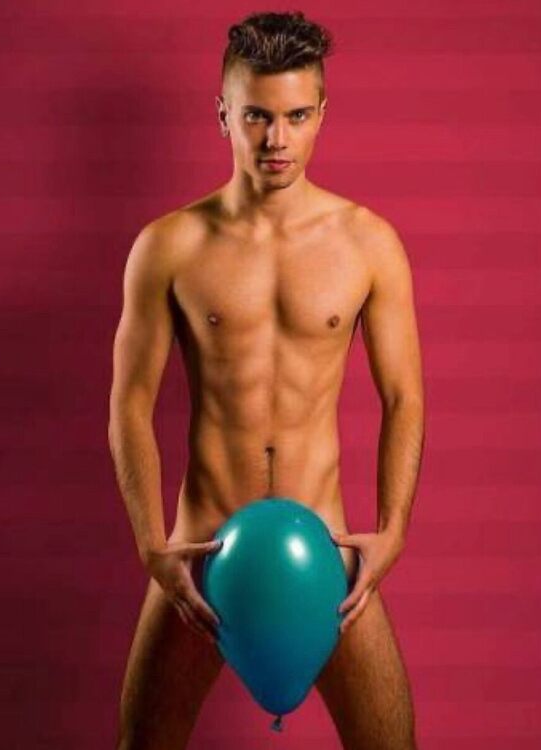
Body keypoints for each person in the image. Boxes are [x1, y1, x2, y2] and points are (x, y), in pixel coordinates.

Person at [108, 11, 424, 749]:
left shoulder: (368, 244)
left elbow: (403, 396)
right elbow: (130, 402)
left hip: (326, 555)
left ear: (322, 114)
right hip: (203, 557)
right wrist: (151, 543)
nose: (276, 139)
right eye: (256, 116)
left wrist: (394, 529)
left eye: (296, 116)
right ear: (223, 114)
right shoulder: (168, 246)